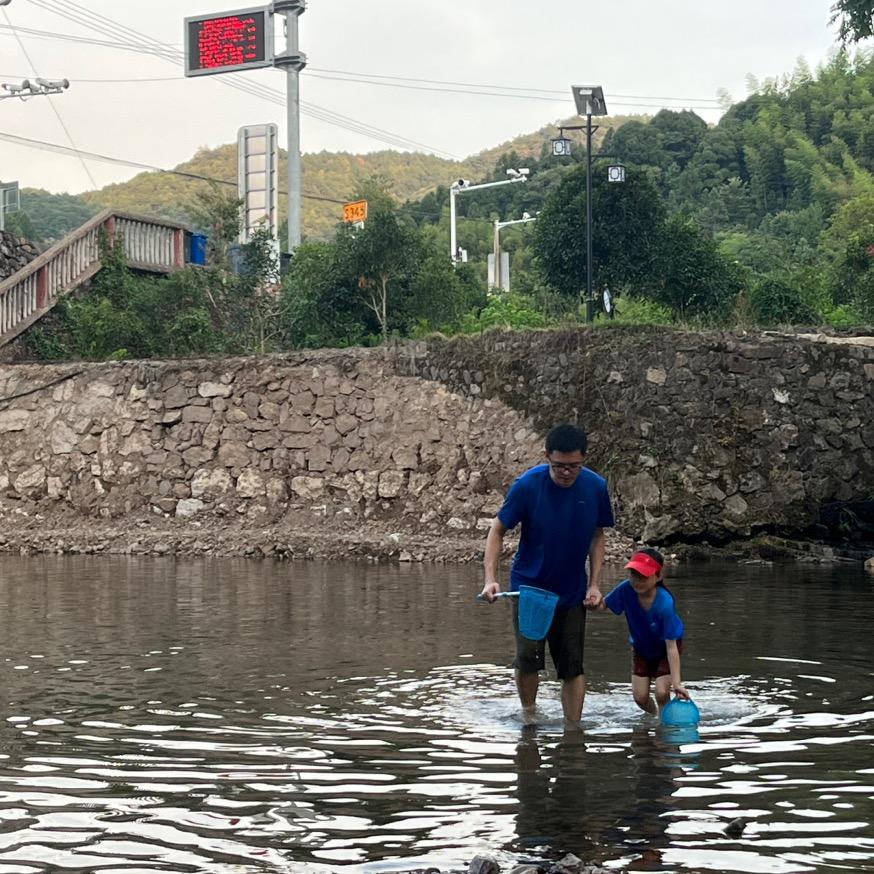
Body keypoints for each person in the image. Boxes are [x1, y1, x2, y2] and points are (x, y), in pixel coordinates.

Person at [480, 423, 614, 723]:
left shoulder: (595, 487)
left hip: (571, 590)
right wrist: (490, 579)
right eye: (559, 467)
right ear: (546, 457)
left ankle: (574, 730)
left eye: (574, 467)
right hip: (530, 589)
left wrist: (594, 585)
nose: (566, 473)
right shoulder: (528, 485)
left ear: (584, 460)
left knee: (572, 666)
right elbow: (497, 530)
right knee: (528, 660)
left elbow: (597, 535)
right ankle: (529, 717)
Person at [597, 547, 689, 714]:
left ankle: (664, 726)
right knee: (640, 698)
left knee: (662, 693)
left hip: (665, 650)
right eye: (634, 575)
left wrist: (677, 683)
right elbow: (604, 604)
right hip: (641, 648)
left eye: (644, 576)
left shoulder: (665, 603)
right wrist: (592, 601)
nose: (637, 581)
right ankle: (655, 717)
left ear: (658, 576)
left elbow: (671, 646)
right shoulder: (626, 589)